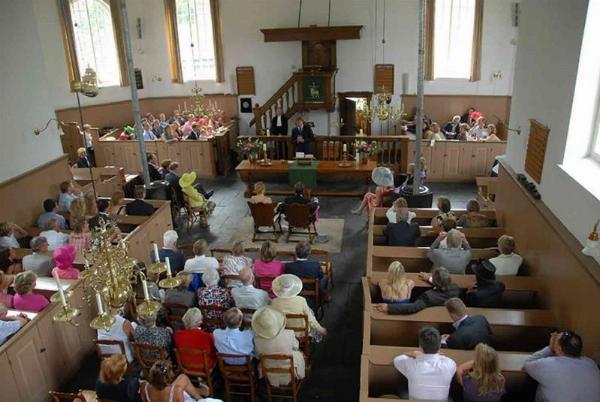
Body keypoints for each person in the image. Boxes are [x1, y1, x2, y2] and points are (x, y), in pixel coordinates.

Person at [524, 331, 600, 402]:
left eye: (556, 340)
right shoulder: (590, 363)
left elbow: (527, 364)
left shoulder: (550, 364)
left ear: (559, 349)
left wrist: (550, 347)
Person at [393, 326, 456, 401]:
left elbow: (397, 359)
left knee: (400, 388)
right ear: (439, 346)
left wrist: (413, 353)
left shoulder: (410, 364)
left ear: (420, 346)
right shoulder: (450, 364)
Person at [252, 306, 306, 387]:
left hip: (269, 371)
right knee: (299, 354)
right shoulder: (289, 333)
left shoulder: (257, 340)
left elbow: (258, 356)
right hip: (289, 369)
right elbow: (296, 346)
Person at [373, 267, 460, 315]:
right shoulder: (455, 289)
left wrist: (389, 307)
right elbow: (443, 286)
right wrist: (429, 279)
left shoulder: (428, 297)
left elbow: (412, 308)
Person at [271, 274, 327, 339]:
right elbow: (310, 318)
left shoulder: (274, 302)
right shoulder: (301, 300)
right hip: (301, 332)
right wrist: (321, 329)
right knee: (310, 313)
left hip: (284, 332)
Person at [140, 360, 218, 402]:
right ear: (169, 377)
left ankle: (201, 394)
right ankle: (200, 395)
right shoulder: (177, 390)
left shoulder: (144, 386)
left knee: (182, 378)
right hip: (176, 396)